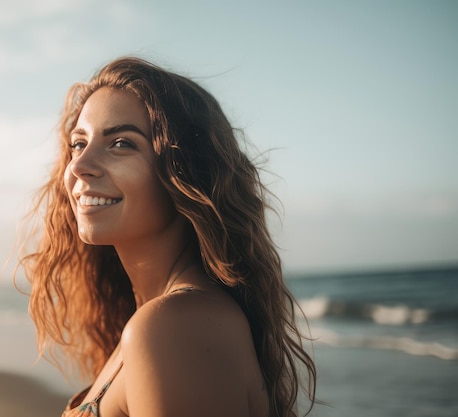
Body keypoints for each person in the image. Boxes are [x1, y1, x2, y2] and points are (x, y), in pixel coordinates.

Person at [19, 57, 317, 417]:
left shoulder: (173, 328)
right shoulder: (161, 319)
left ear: (184, 174)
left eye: (121, 144)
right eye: (79, 144)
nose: (79, 166)